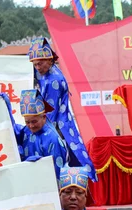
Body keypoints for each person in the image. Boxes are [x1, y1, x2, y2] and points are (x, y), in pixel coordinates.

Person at [28, 38, 96, 181]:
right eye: (35, 65)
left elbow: (50, 113)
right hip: (53, 122)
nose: (37, 68)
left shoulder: (54, 80)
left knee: (58, 166)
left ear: (49, 60)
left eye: (40, 64)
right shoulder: (45, 72)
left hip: (56, 126)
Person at [17, 89, 68, 179]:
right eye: (27, 122)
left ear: (44, 117)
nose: (31, 126)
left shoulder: (53, 139)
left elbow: (58, 174)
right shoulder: (26, 131)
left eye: (34, 121)